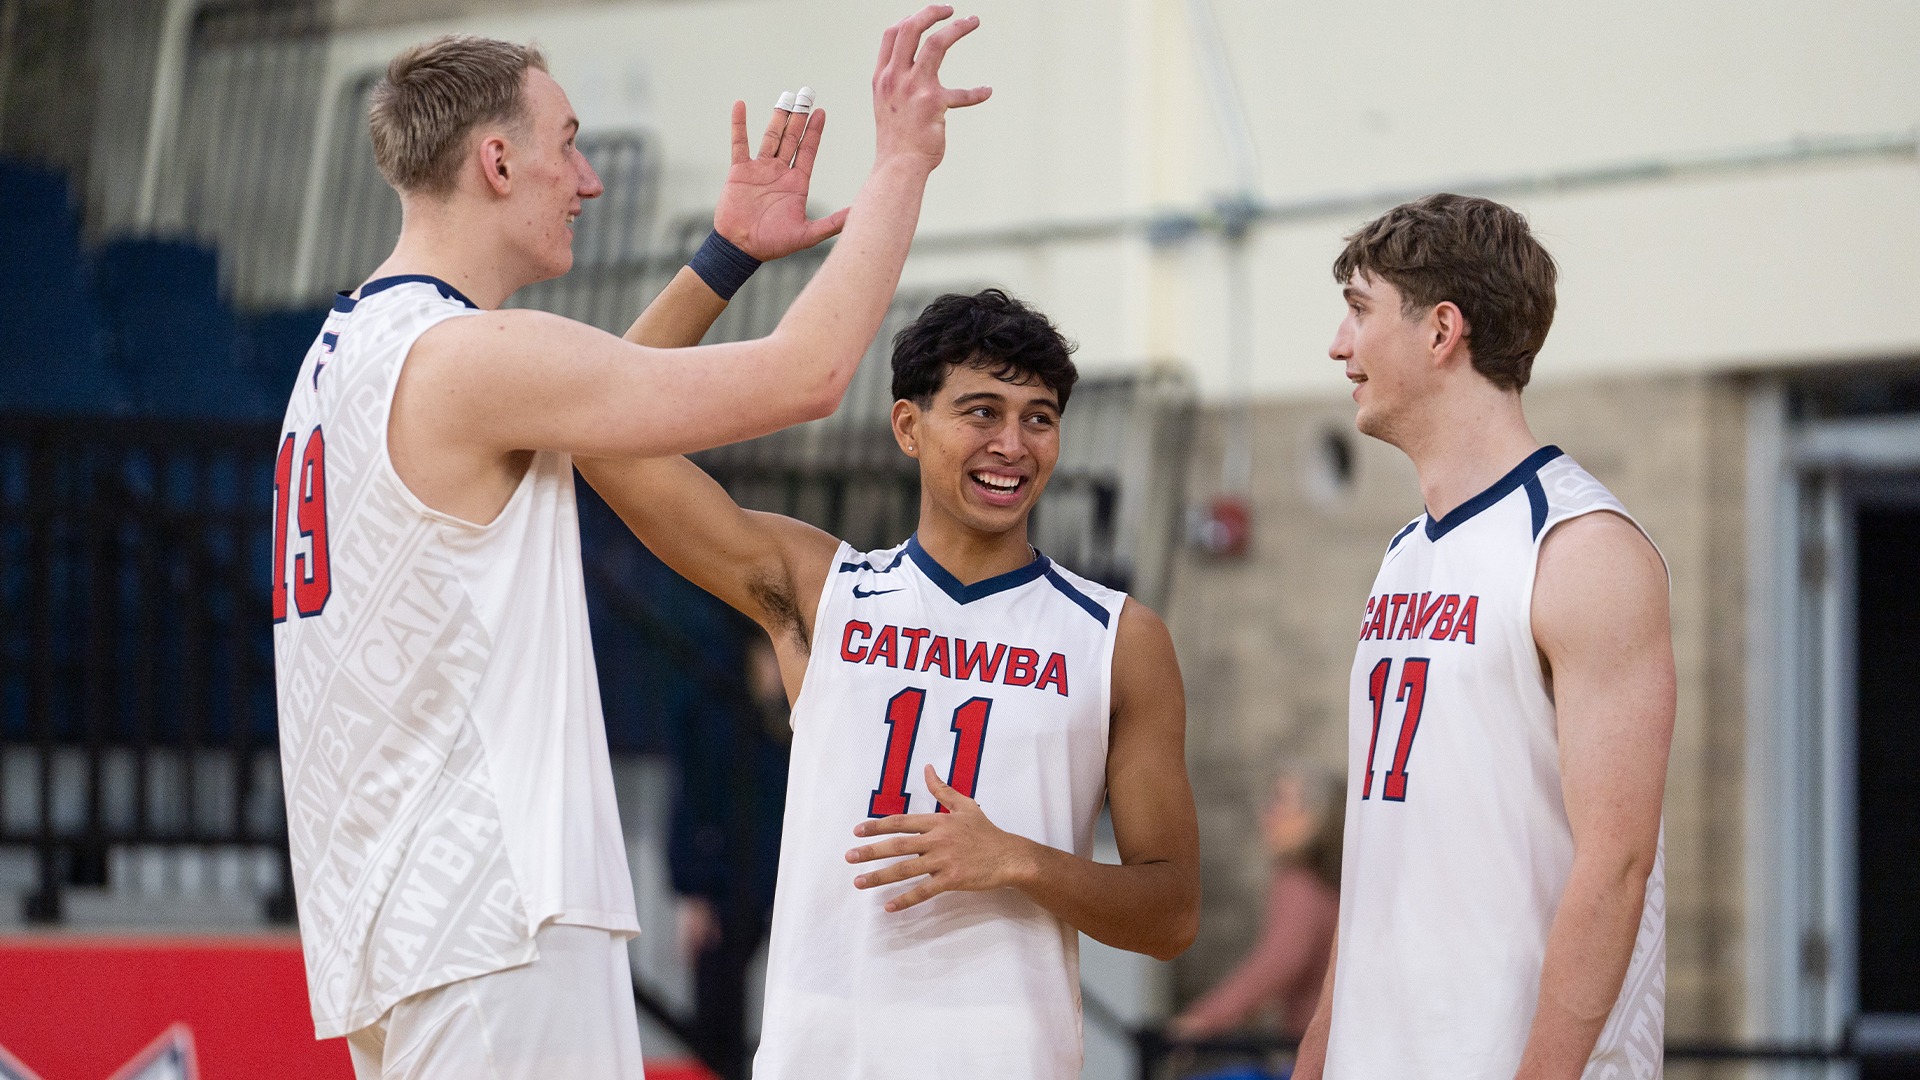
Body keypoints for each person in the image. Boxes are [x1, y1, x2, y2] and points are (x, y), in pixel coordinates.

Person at [269, 8, 989, 1077]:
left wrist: (725, 259)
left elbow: (595, 411)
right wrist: (902, 164)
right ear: (496, 159)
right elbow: (809, 376)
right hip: (494, 920)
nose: (589, 180)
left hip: (415, 925)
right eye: (568, 143)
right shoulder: (462, 358)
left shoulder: (353, 348)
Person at [579, 288, 1202, 1078]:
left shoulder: (1119, 638)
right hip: (821, 1056)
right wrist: (728, 260)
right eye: (982, 412)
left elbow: (1172, 913)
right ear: (910, 426)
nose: (1012, 444)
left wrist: (1019, 860)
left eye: (1038, 418)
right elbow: (599, 431)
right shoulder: (822, 590)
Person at [1292, 193, 1674, 1080]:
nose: (1338, 346)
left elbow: (1616, 866)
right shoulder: (1402, 556)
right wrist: (1317, 1054)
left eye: (1358, 311)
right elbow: (1382, 848)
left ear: (1442, 331)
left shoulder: (1581, 548)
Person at [1171, 766, 1341, 1043]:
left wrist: (1201, 1020)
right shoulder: (1329, 886)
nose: (1268, 814)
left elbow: (1276, 964)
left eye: (1282, 802)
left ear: (1318, 818)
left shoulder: (1300, 886)